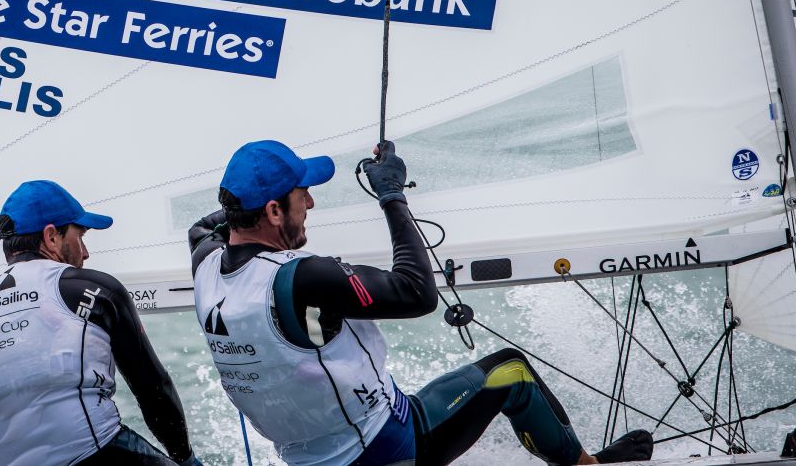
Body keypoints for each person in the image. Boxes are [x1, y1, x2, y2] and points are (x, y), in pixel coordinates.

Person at [188, 140, 653, 466]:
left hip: (307, 456)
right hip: (384, 447)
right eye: (300, 194)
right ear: (273, 211)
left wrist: (243, 207)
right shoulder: (300, 278)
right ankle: (586, 464)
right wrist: (392, 195)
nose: (310, 202)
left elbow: (204, 227)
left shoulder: (205, 263)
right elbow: (417, 292)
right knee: (511, 371)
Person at [0, 179, 202, 466]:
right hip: (94, 454)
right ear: (51, 237)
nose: (84, 252)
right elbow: (153, 389)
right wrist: (185, 459)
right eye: (79, 236)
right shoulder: (92, 289)